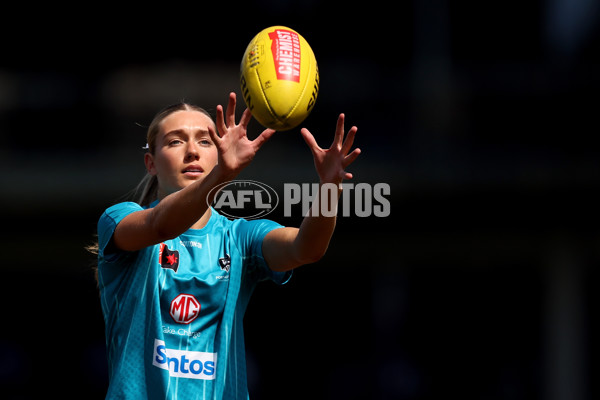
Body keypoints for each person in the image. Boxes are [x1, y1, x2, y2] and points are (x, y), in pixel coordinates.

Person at [94, 92, 360, 399]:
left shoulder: (239, 237)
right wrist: (222, 174)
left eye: (205, 141)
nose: (192, 151)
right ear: (151, 163)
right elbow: (161, 226)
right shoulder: (119, 219)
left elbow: (307, 248)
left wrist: (330, 187)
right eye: (175, 141)